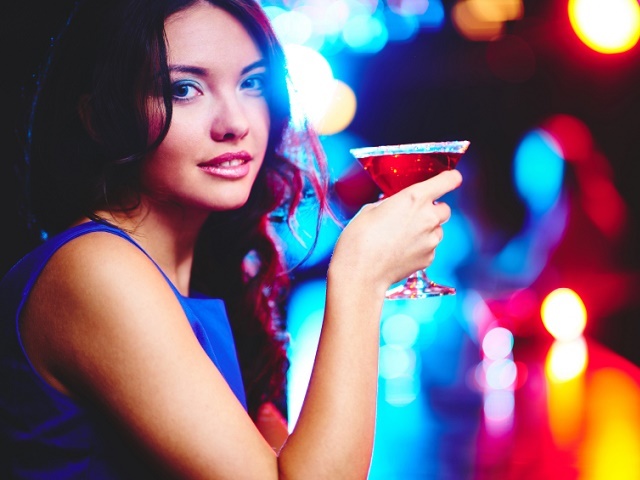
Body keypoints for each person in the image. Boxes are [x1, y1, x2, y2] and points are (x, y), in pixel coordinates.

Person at [0, 0, 462, 478]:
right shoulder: (94, 268)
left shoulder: (205, 278)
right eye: (184, 89)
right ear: (99, 117)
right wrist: (359, 276)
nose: (235, 123)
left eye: (253, 83)